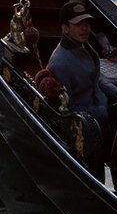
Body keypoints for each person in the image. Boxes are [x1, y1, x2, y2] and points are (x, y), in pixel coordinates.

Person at [43, 10, 111, 150]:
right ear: (65, 28)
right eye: (78, 24)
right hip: (88, 123)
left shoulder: (83, 45)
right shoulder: (60, 64)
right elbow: (69, 109)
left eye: (87, 23)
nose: (85, 28)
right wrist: (105, 112)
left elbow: (96, 81)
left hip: (102, 106)